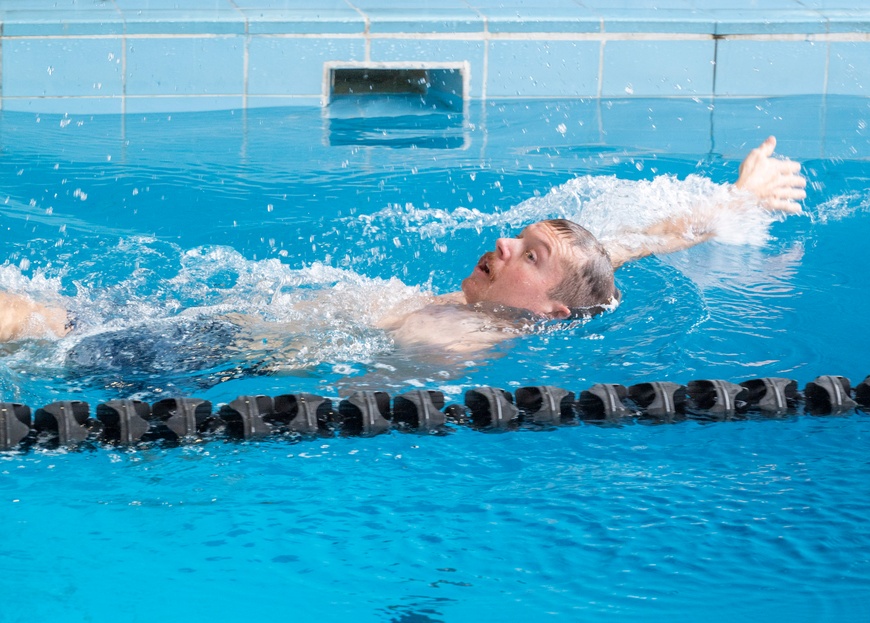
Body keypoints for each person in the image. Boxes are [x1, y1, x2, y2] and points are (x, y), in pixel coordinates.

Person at [1, 137, 805, 356]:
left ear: (550, 305)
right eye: (517, 239)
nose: (503, 245)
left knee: (24, 318)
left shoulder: (463, 337)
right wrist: (737, 198)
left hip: (203, 352)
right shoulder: (536, 301)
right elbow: (626, 246)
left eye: (529, 255)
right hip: (199, 321)